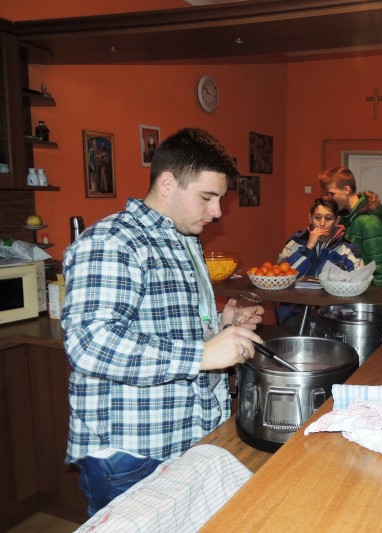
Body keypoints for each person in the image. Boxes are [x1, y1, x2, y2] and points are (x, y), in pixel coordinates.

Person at [61, 128, 264, 516]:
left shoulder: (184, 237)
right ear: (168, 183)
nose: (217, 211)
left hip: (186, 432)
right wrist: (202, 354)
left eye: (220, 199)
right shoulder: (111, 242)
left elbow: (168, 326)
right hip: (133, 450)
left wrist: (221, 325)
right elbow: (91, 344)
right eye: (207, 197)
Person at [319, 166, 382, 285]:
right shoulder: (345, 218)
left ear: (346, 190)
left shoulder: (369, 222)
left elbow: (381, 270)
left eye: (331, 193)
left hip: (364, 291)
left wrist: (374, 294)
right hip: (349, 288)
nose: (328, 198)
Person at [277, 197, 363, 277]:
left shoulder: (347, 250)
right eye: (317, 218)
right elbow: (281, 276)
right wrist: (307, 249)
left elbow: (359, 281)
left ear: (336, 221)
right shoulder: (295, 243)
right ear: (310, 219)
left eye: (328, 218)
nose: (322, 224)